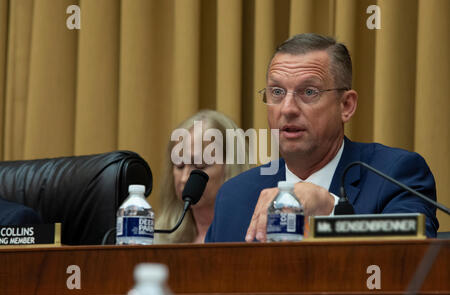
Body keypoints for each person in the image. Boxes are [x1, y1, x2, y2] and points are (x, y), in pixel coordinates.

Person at [205, 33, 439, 242]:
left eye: (309, 92)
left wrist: (331, 209)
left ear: (346, 105)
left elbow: (412, 259)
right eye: (276, 92)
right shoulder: (235, 195)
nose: (287, 109)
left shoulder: (395, 175)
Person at [155, 110, 253, 244]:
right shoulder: (161, 237)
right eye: (179, 165)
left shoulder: (253, 236)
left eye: (199, 165)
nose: (184, 178)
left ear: (231, 166)